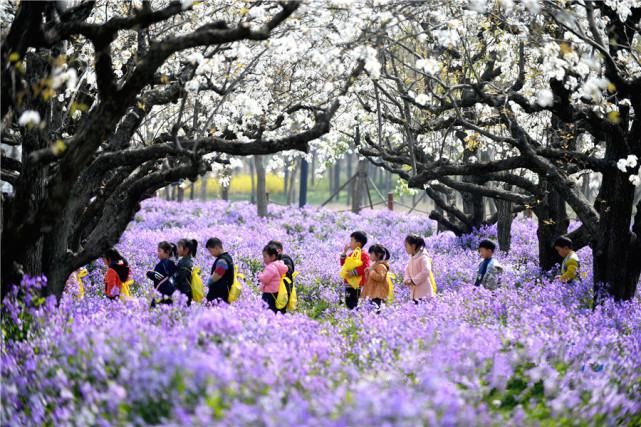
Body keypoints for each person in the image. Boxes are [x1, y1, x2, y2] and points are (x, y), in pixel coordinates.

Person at [340, 231, 370, 309]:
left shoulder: (364, 255)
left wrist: (353, 272)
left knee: (355, 302)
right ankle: (351, 316)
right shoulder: (351, 254)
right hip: (348, 284)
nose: (350, 243)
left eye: (352, 240)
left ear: (358, 244)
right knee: (348, 301)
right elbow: (344, 265)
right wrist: (344, 252)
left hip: (358, 285)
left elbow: (365, 267)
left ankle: (355, 316)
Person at [403, 234, 435, 302]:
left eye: (406, 246)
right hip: (415, 294)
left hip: (424, 294)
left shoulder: (423, 257)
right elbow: (407, 270)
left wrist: (413, 281)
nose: (405, 248)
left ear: (413, 246)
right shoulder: (412, 258)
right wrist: (407, 279)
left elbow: (426, 271)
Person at [258, 244, 288, 313]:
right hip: (275, 292)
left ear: (273, 257)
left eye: (265, 257)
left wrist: (260, 275)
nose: (263, 259)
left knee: (266, 309)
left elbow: (265, 280)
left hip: (269, 293)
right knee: (273, 310)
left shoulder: (271, 267)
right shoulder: (278, 265)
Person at [361, 244, 391, 310]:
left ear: (379, 254)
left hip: (378, 294)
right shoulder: (375, 265)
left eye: (371, 254)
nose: (370, 256)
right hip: (373, 293)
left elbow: (380, 277)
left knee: (376, 310)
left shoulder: (381, 266)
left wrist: (371, 271)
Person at [147, 241, 177, 306]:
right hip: (171, 293)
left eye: (159, 251)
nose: (158, 253)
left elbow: (159, 277)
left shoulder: (161, 264)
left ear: (167, 252)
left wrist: (149, 274)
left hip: (161, 293)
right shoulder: (172, 263)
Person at [205, 237, 235, 303]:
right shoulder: (228, 257)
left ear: (216, 247)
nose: (211, 254)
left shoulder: (222, 260)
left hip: (219, 294)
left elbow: (218, 275)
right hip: (225, 292)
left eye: (211, 251)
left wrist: (207, 284)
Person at [172, 238, 198, 304]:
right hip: (188, 293)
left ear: (186, 250)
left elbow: (182, 280)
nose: (176, 249)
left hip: (184, 294)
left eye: (179, 247)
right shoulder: (190, 261)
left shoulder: (184, 263)